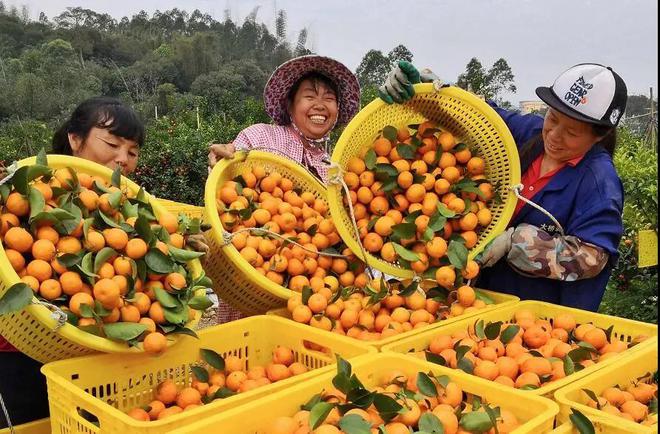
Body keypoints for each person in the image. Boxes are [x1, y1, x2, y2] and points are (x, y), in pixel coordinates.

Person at [379, 61, 627, 312]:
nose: (553, 135)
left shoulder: (598, 181)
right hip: (475, 298)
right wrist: (430, 91)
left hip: (539, 318)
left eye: (572, 133)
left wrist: (517, 242)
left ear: (599, 135)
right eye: (552, 118)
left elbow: (591, 258)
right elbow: (477, 117)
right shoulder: (530, 132)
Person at [207, 55, 361, 322]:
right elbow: (228, 185)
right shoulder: (260, 137)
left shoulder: (334, 169)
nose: (320, 105)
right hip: (248, 282)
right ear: (290, 104)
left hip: (308, 296)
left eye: (329, 98)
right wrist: (221, 161)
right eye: (310, 96)